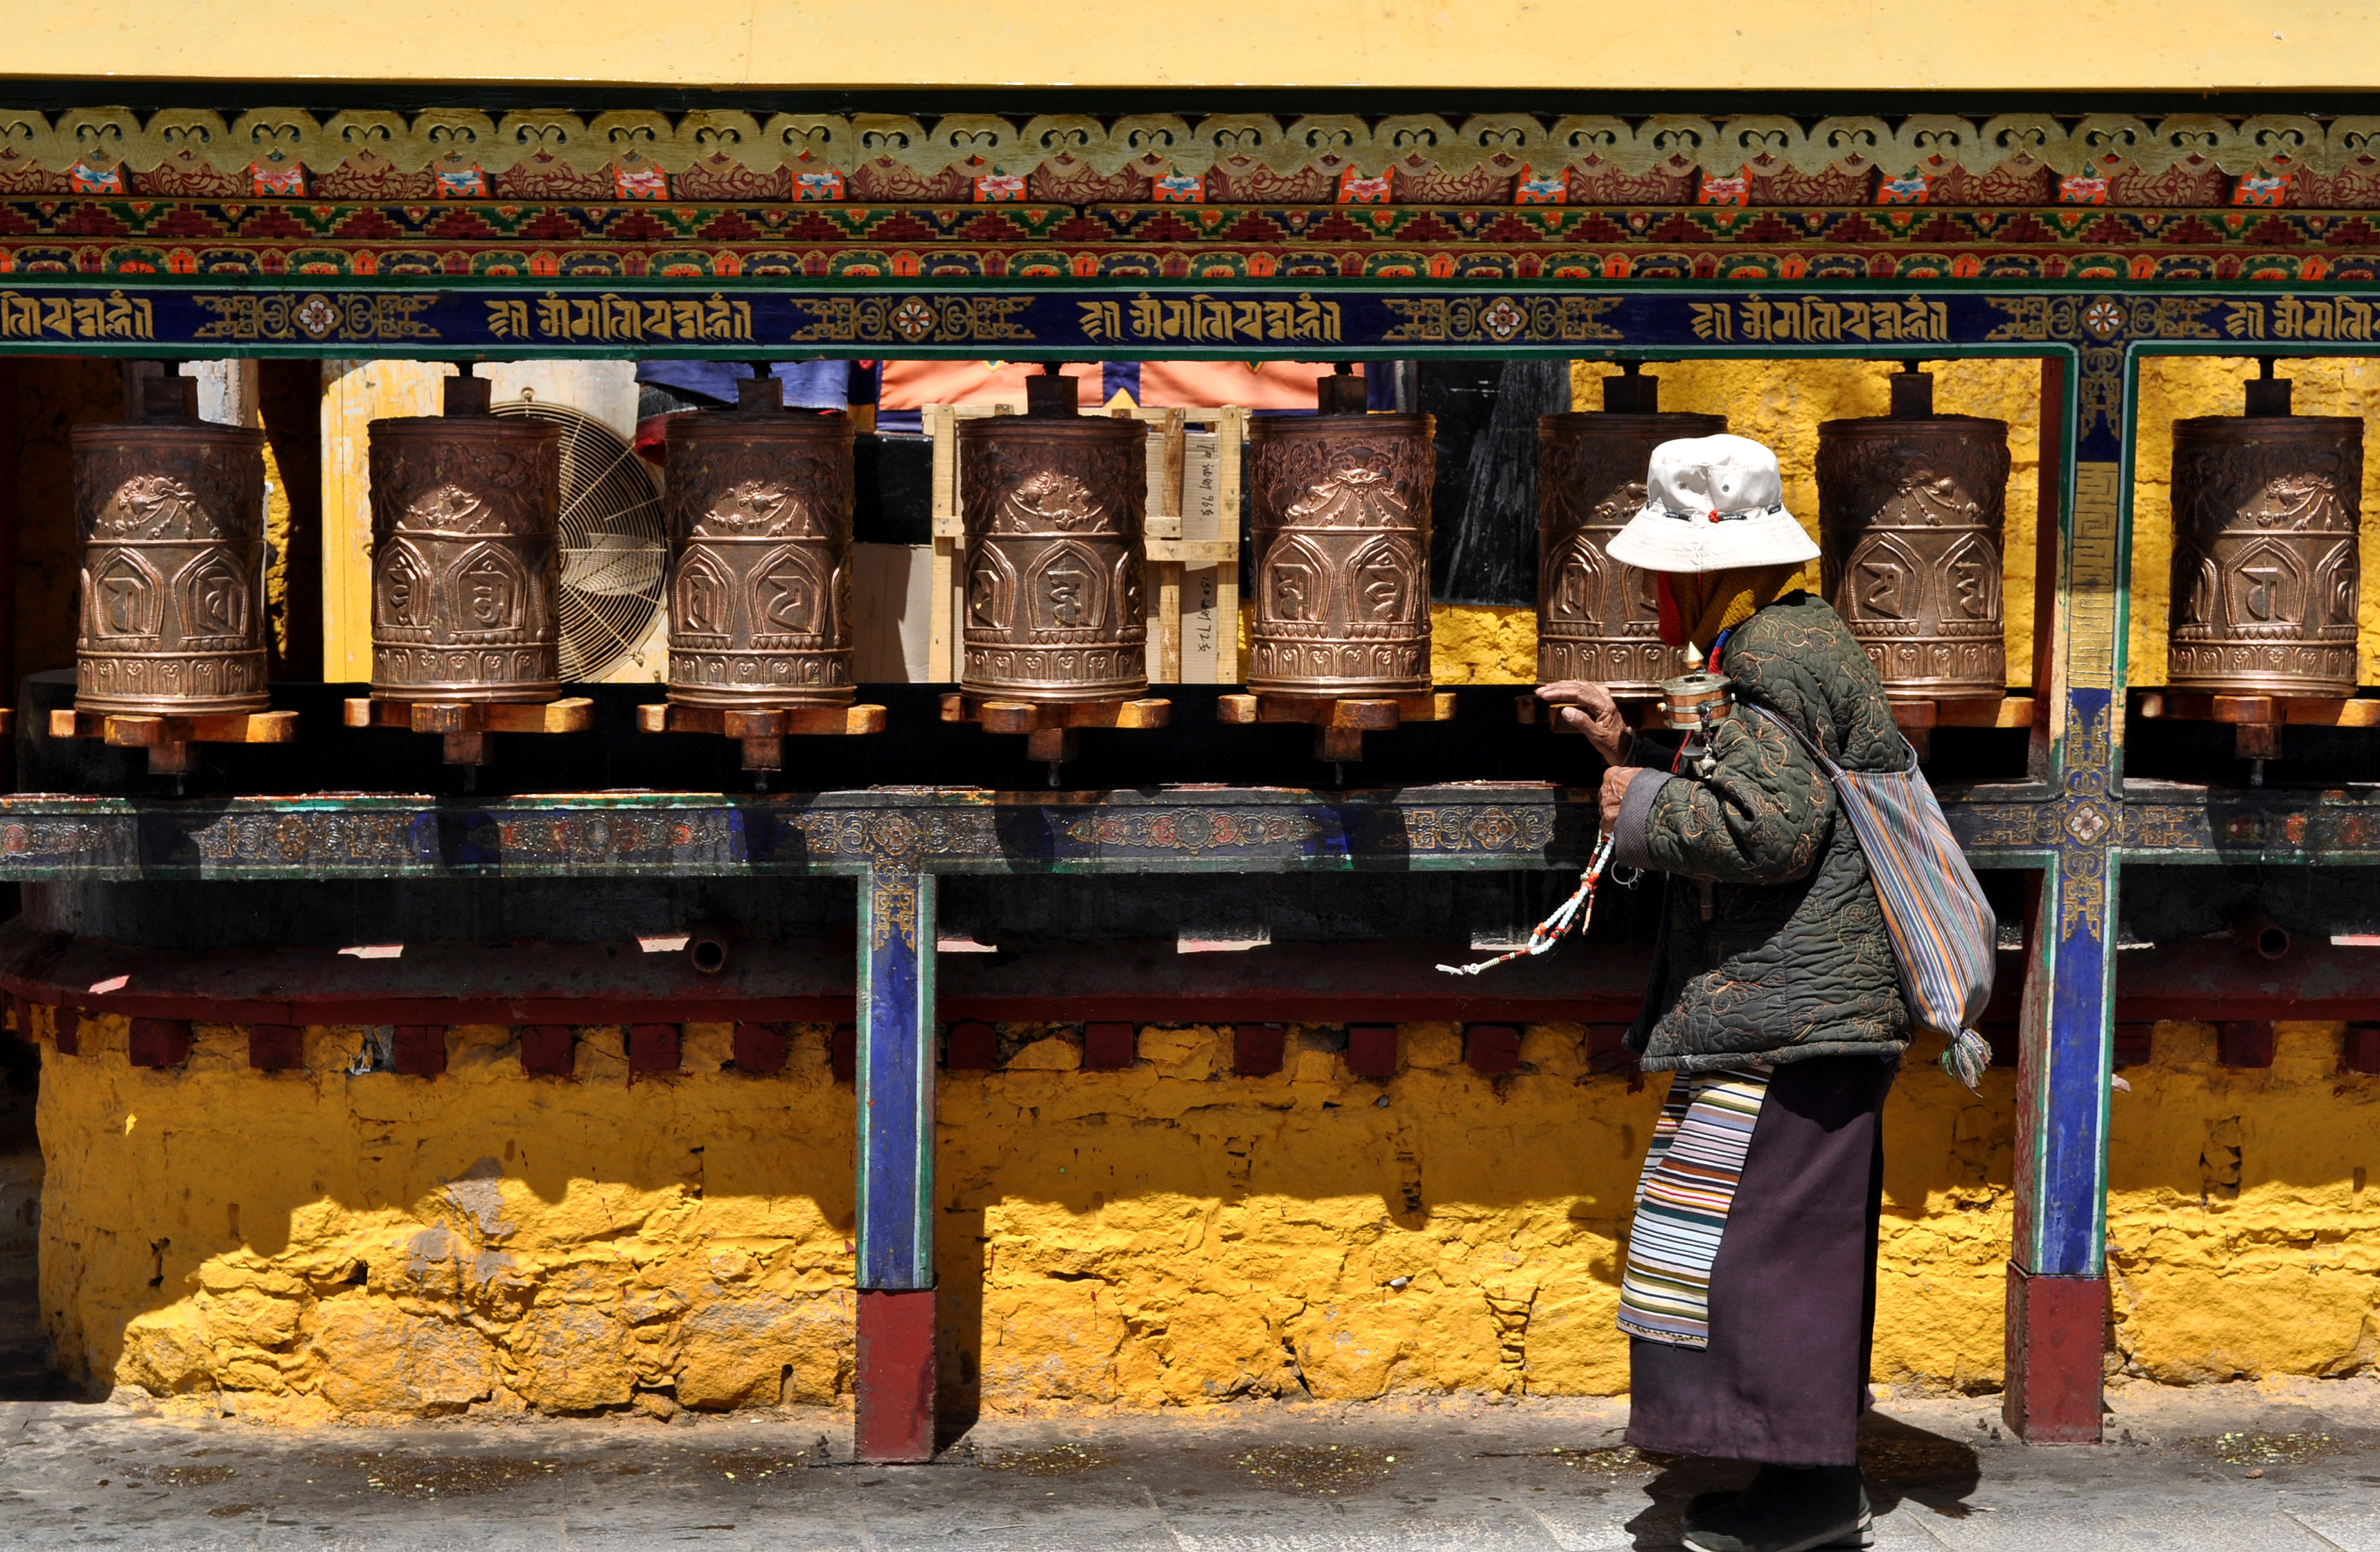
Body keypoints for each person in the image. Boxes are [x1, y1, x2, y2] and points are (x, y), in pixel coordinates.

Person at [1537, 434, 1911, 1552]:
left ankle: (1804, 1495)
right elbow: (1766, 777)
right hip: (1800, 1011)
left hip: (1797, 1015)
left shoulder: (1770, 652)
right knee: (1760, 1243)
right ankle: (1794, 1480)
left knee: (1768, 1253)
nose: (1651, 588)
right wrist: (1633, 747)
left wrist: (1637, 802)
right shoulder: (1781, 640)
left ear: (1701, 566)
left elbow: (1771, 829)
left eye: (1660, 568)